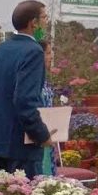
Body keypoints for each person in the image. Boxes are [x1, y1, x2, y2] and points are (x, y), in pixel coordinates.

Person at [0, 0, 53, 177]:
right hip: (23, 147)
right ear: (33, 23)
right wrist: (41, 134)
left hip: (1, 144)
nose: (47, 23)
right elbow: (25, 100)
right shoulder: (33, 51)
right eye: (45, 18)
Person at [40, 40, 59, 176]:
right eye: (47, 53)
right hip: (38, 134)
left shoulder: (44, 78)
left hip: (50, 133)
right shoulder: (33, 79)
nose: (51, 56)